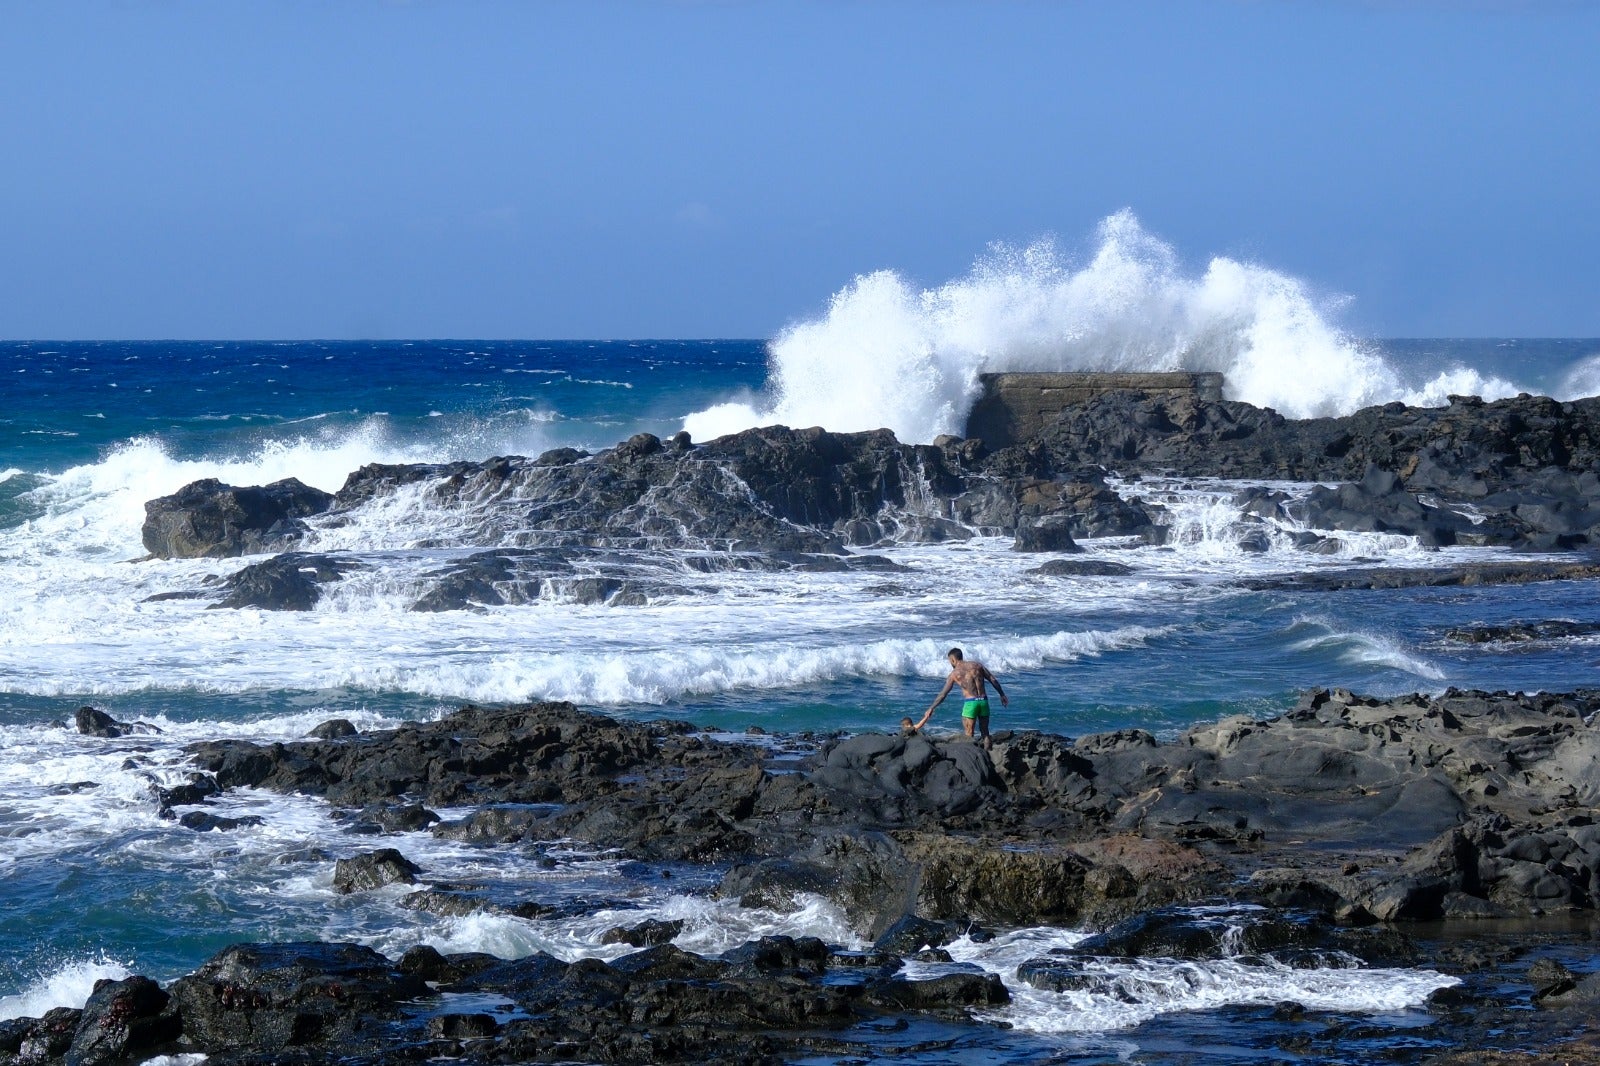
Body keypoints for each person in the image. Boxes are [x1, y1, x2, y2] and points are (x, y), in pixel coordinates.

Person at [916, 647, 1007, 748]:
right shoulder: (977, 665)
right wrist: (1002, 694)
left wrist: (931, 707)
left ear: (953, 660)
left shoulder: (955, 673)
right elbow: (992, 679)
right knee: (985, 732)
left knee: (969, 734)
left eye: (950, 661)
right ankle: (988, 753)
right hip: (983, 701)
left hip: (971, 703)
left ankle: (973, 758)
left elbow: (943, 694)